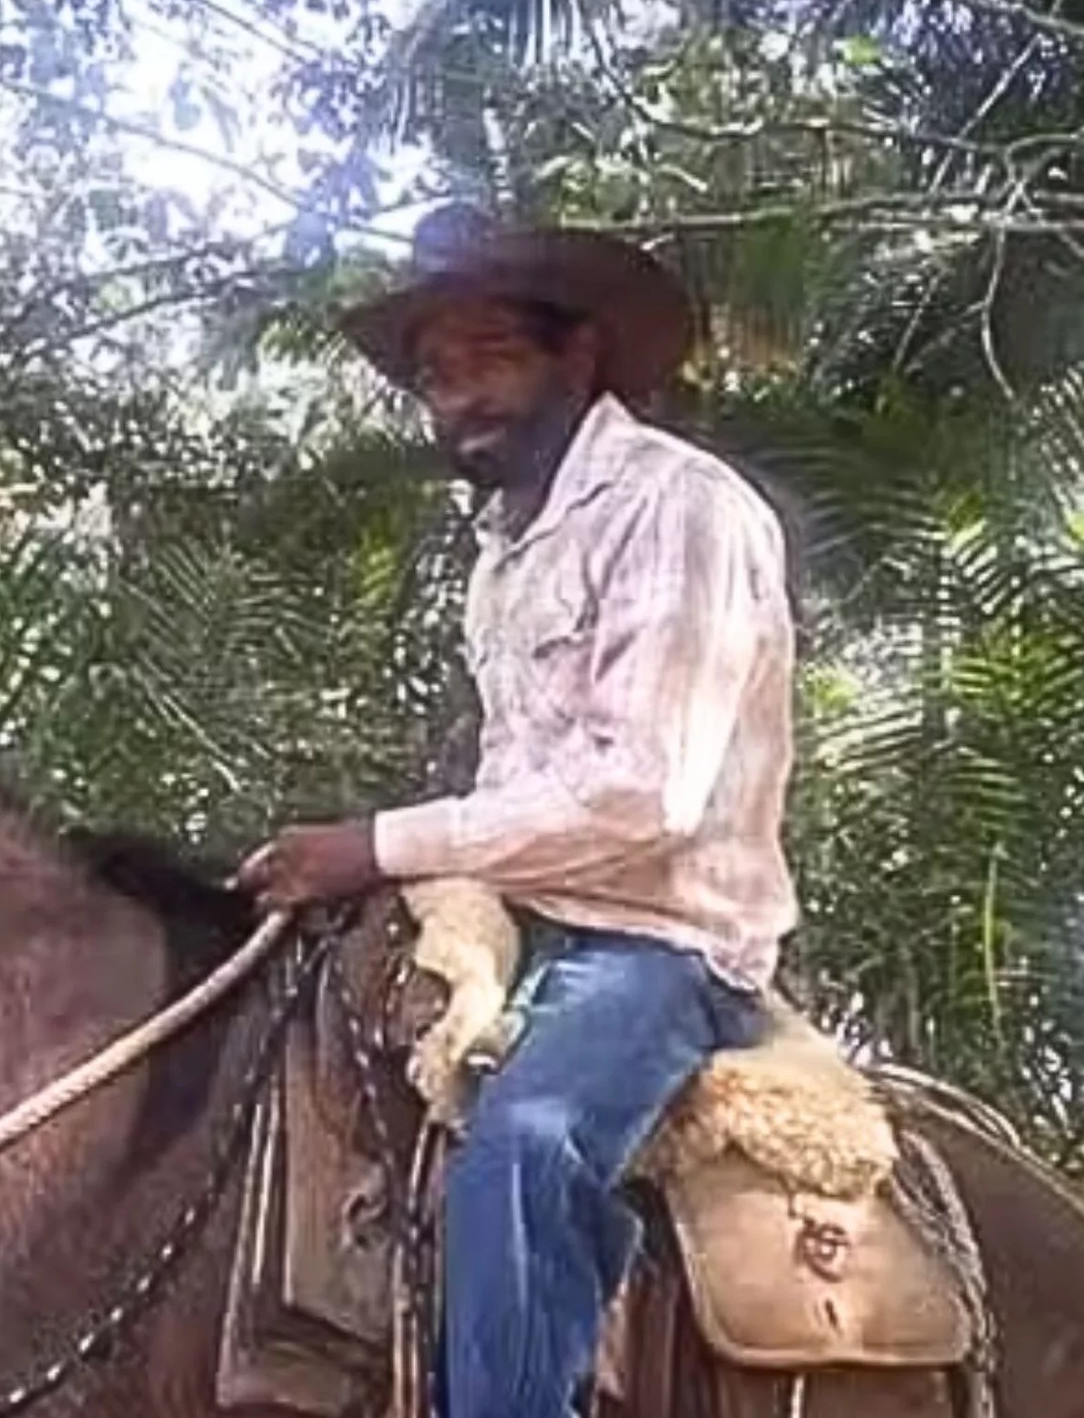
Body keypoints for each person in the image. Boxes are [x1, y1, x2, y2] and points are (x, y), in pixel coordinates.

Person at [233, 204, 800, 1418]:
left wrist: (375, 844)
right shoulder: (504, 549)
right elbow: (515, 790)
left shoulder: (680, 505)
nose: (457, 398)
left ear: (578, 356)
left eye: (490, 358)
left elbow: (644, 788)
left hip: (659, 943)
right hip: (514, 920)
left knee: (528, 1149)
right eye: (435, 375)